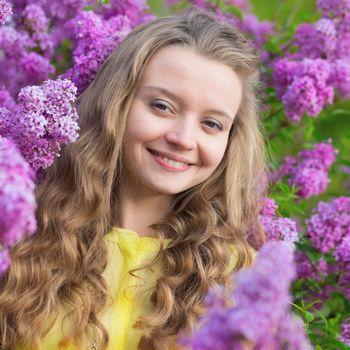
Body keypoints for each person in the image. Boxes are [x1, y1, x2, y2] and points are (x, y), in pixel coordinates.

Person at [0, 9, 266, 350]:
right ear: (117, 103)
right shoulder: (22, 238)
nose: (184, 138)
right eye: (162, 106)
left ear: (230, 141)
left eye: (211, 124)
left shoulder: (239, 276)